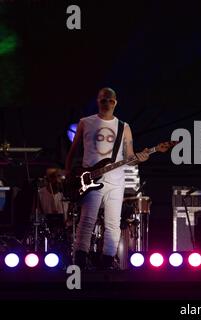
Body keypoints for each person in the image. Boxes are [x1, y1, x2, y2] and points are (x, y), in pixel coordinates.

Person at [65, 87, 149, 269]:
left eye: (110, 100)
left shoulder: (124, 127)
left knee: (113, 224)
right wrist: (68, 172)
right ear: (98, 101)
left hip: (116, 181)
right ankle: (79, 263)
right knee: (87, 221)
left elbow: (130, 157)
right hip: (90, 179)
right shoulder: (85, 122)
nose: (107, 103)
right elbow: (72, 151)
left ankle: (107, 264)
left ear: (115, 102)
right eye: (103, 100)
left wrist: (140, 158)